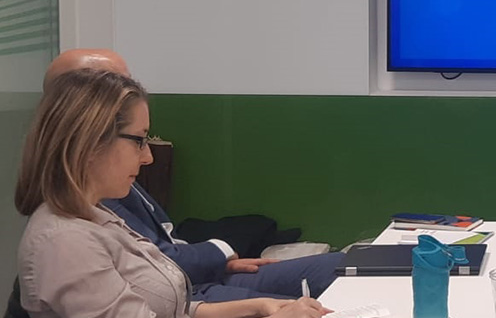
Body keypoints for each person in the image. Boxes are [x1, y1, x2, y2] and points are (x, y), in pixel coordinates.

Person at [16, 68, 329, 318]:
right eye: (139, 141)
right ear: (91, 140)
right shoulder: (63, 242)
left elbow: (169, 311)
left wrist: (258, 308)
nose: (148, 156)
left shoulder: (95, 217)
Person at [44, 49, 344, 302]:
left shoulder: (107, 178)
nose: (148, 157)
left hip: (194, 287)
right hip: (188, 293)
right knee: (319, 315)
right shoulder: (73, 219)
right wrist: (267, 314)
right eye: (112, 85)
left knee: (345, 268)